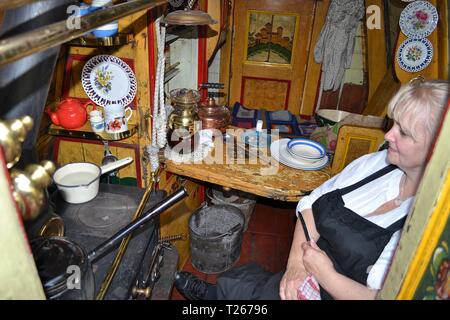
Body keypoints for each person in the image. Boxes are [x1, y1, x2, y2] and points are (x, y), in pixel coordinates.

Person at [174, 79, 449, 300]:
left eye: (404, 133)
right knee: (242, 284)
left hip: (335, 288)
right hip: (306, 271)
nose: (388, 135)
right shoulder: (377, 164)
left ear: (436, 151)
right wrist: (295, 264)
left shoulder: (430, 228)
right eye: (394, 124)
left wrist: (324, 273)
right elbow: (311, 202)